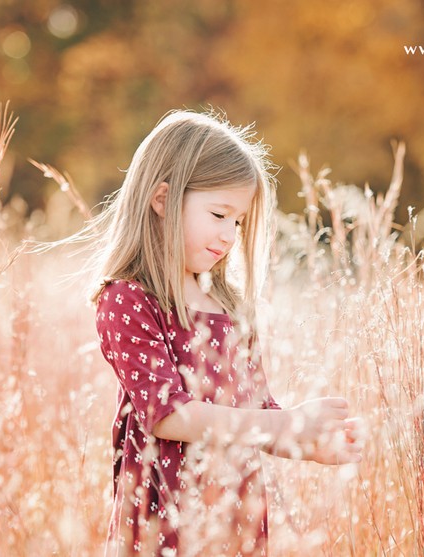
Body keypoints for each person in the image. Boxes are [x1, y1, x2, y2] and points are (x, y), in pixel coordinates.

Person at [90, 110, 364, 556]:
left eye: (238, 221)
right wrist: (287, 423)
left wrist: (306, 442)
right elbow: (170, 416)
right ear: (162, 198)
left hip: (236, 521)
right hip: (165, 527)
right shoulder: (129, 299)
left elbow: (259, 411)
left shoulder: (231, 307)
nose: (229, 235)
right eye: (218, 213)